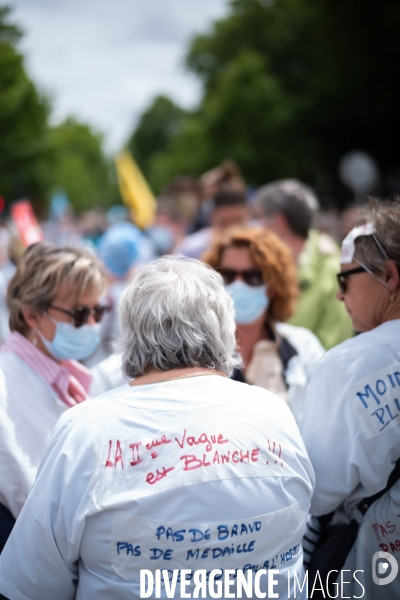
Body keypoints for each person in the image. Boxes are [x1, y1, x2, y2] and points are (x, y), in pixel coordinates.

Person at [0, 256, 314, 600]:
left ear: (131, 332)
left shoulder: (87, 430)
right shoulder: (274, 414)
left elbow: (31, 582)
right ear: (226, 329)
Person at [300, 200, 400, 598]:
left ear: (389, 276)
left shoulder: (350, 364)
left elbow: (316, 491)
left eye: (345, 280)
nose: (340, 296)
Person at [0, 242, 109, 524]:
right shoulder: (5, 386)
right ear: (31, 314)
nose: (91, 325)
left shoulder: (72, 378)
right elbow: (31, 501)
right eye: (78, 314)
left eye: (96, 312)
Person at [203, 228, 325, 422]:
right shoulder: (197, 351)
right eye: (228, 275)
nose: (239, 285)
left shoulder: (303, 347)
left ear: (273, 287)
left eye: (253, 276)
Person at [253, 179, 354, 349]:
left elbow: (334, 347)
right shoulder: (257, 264)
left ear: (277, 221)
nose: (254, 228)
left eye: (258, 218)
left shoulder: (333, 270)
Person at [173, 189, 249, 259]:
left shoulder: (257, 245)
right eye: (224, 223)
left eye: (238, 222)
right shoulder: (191, 249)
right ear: (212, 217)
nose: (232, 230)